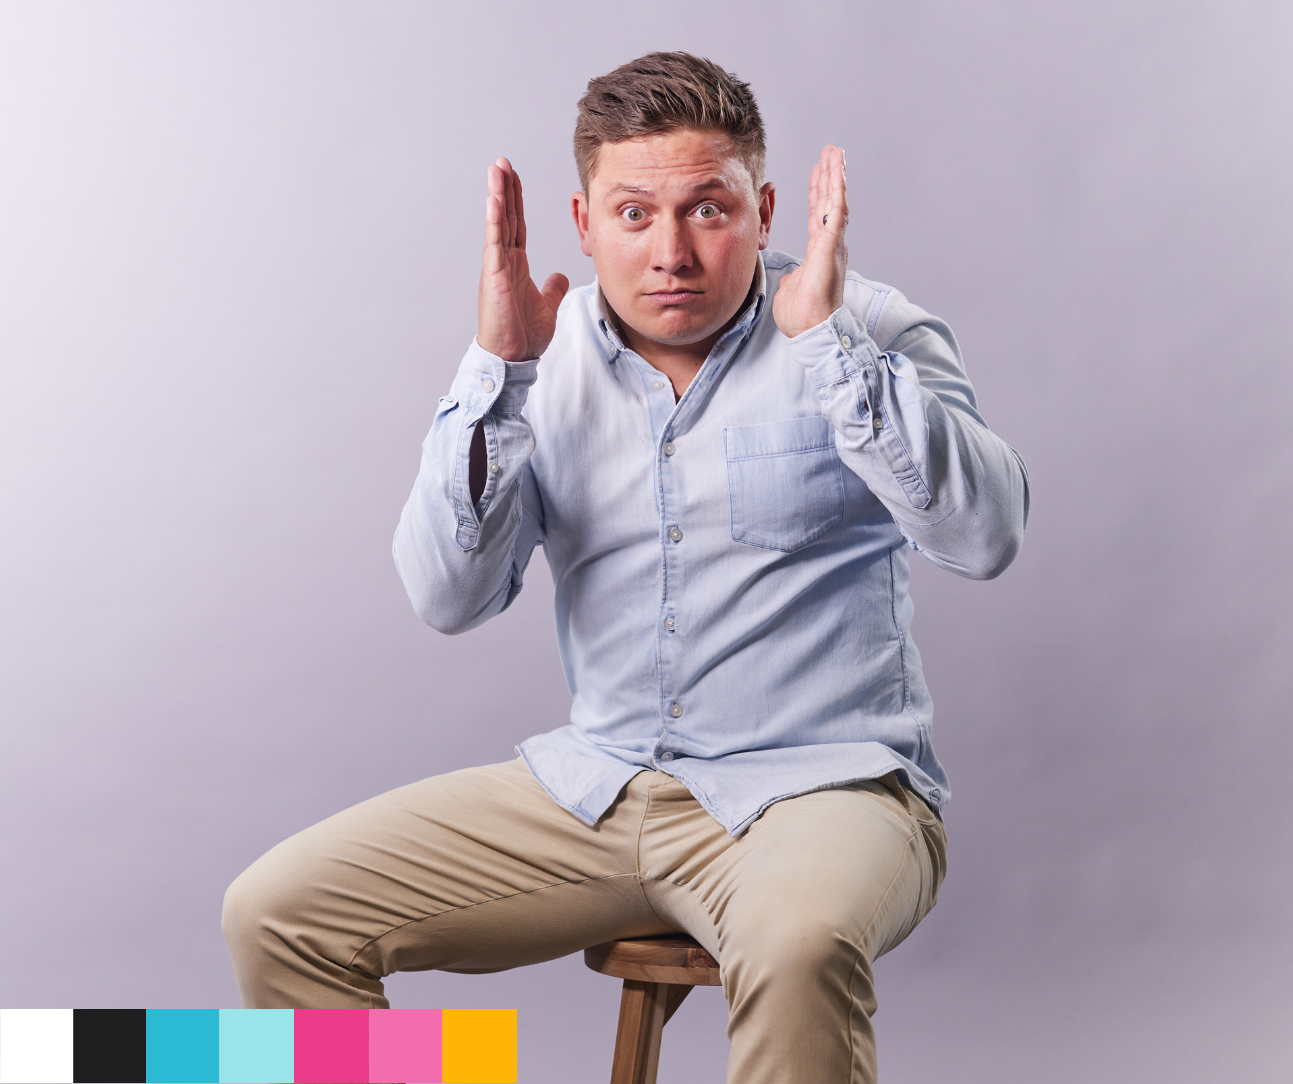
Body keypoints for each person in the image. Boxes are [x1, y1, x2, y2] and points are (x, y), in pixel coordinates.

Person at [223, 51, 1029, 1084]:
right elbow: (446, 599)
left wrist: (829, 346)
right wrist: (496, 376)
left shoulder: (864, 328)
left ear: (765, 206)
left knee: (795, 942)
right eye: (636, 214)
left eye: (709, 209)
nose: (673, 253)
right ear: (585, 220)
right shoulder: (534, 359)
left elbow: (987, 536)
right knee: (279, 913)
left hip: (825, 786)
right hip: (602, 787)